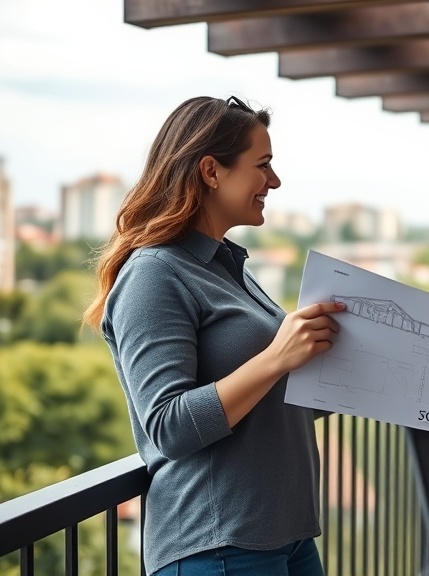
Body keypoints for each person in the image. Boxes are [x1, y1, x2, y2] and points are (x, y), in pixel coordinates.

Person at [84, 96, 343, 576]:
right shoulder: (154, 275)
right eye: (262, 165)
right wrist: (277, 358)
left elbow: (265, 385)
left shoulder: (226, 265)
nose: (275, 181)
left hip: (284, 535)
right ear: (211, 171)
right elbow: (169, 425)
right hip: (218, 546)